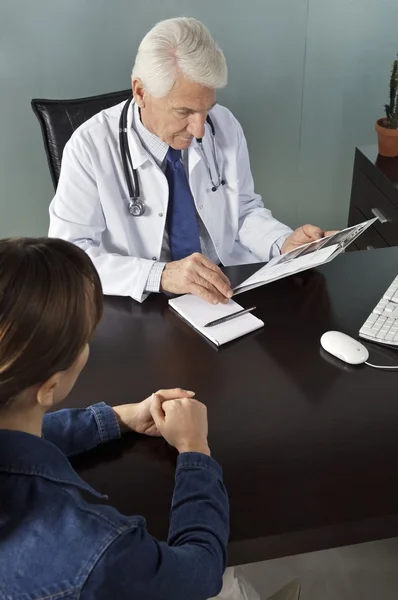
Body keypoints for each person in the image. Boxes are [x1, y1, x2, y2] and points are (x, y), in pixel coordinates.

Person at [0, 237, 229, 599]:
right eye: (84, 339)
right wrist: (195, 451)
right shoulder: (97, 551)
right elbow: (200, 573)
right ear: (50, 386)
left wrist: (118, 418)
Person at [49, 17, 336, 304]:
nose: (199, 129)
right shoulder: (89, 146)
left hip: (224, 287)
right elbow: (69, 258)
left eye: (206, 110)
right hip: (140, 298)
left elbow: (244, 210)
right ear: (140, 92)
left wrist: (282, 243)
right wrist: (158, 275)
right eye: (184, 112)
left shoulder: (224, 125)